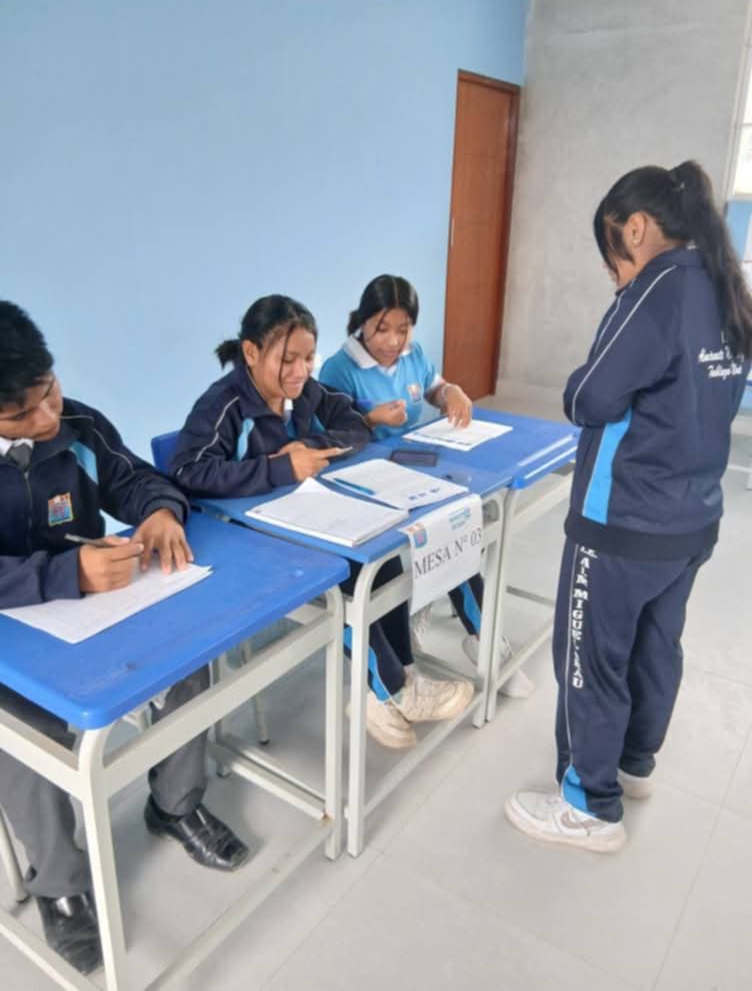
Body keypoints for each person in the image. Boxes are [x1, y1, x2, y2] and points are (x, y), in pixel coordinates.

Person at [505, 161, 752, 853]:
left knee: (590, 655)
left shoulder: (657, 288)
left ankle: (589, 804)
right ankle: (633, 762)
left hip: (622, 521)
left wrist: (577, 383)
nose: (613, 273)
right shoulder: (723, 286)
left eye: (612, 255)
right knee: (654, 645)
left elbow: (590, 398)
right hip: (692, 519)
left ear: (635, 229)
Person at [0, 302, 249, 976]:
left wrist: (161, 511)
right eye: (19, 415)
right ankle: (60, 883)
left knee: (187, 659)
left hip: (96, 613)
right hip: (11, 649)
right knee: (25, 734)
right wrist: (65, 573)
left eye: (49, 390)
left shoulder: (79, 425)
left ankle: (175, 805)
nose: (46, 419)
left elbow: (136, 479)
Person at [170, 294, 475, 751]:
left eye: (308, 358)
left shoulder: (305, 392)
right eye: (287, 359)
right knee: (344, 576)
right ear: (251, 352)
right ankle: (390, 690)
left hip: (302, 517)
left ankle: (401, 677)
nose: (300, 371)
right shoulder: (224, 404)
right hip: (245, 538)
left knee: (383, 555)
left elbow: (354, 425)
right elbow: (186, 472)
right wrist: (278, 467)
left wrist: (310, 447)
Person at [319, 273, 533, 697]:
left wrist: (452, 392)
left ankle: (487, 643)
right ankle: (472, 639)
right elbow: (326, 434)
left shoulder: (413, 355)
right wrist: (370, 420)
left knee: (455, 530)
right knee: (444, 535)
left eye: (403, 329)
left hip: (415, 476)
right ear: (363, 322)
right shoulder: (338, 369)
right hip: (362, 488)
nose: (393, 341)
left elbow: (433, 388)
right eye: (382, 329)